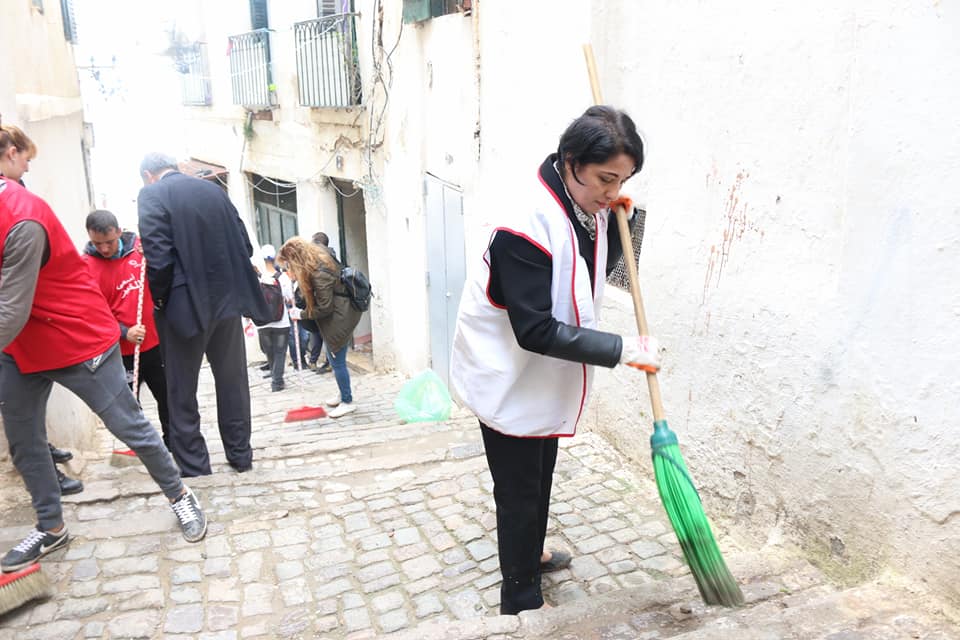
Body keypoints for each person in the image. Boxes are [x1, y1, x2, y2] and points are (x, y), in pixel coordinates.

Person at [449, 106, 660, 615]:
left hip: (542, 375)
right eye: (605, 179)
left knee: (542, 471)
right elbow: (535, 329)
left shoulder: (587, 207)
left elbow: (608, 275)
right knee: (519, 487)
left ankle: (533, 551)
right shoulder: (522, 224)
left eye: (622, 180)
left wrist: (628, 223)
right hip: (507, 372)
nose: (611, 191)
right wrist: (622, 350)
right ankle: (519, 596)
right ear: (571, 161)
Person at [0, 166, 207, 573]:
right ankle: (51, 525)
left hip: (74, 338)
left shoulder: (21, 218)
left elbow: (11, 307)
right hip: (19, 345)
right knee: (24, 441)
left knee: (129, 426)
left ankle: (180, 495)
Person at [137, 152, 270, 476]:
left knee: (181, 390)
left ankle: (195, 466)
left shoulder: (152, 195)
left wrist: (161, 301)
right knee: (232, 382)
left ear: (147, 175)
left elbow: (158, 256)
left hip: (183, 307)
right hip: (226, 302)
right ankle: (241, 456)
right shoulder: (213, 190)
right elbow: (245, 245)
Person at [0, 122, 83, 496]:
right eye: (26, 158)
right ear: (12, 153)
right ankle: (49, 475)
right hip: (15, 321)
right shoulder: (17, 204)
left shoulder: (17, 197)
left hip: (24, 321)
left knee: (28, 411)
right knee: (22, 414)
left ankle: (48, 460)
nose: (29, 167)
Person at [82, 209, 171, 450]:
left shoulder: (141, 250)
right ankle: (144, 447)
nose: (105, 249)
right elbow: (92, 312)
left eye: (109, 242)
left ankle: (173, 444)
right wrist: (124, 332)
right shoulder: (87, 267)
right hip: (120, 351)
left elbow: (167, 272)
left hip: (156, 343)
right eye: (97, 243)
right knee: (129, 404)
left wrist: (153, 258)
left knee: (168, 397)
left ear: (119, 232)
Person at [277, 237, 361, 418]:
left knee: (336, 359)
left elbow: (325, 307)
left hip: (340, 316)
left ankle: (347, 401)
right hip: (338, 313)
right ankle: (343, 393)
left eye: (288, 265)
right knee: (334, 359)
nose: (287, 270)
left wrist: (301, 314)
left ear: (296, 259)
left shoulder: (319, 272)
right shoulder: (315, 261)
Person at [257, 244, 293, 392]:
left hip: (262, 322)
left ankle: (274, 375)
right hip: (281, 321)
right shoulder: (283, 277)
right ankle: (277, 382)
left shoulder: (257, 278)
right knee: (280, 351)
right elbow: (289, 299)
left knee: (269, 351)